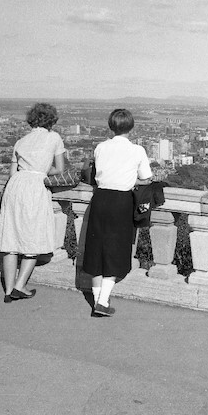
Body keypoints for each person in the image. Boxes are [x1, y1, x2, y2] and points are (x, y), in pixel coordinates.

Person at [82, 108, 153, 317]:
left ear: (111, 126)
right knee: (116, 249)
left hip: (100, 199)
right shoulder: (137, 150)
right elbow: (147, 178)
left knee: (96, 249)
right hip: (121, 201)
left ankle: (98, 300)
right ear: (131, 127)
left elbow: (96, 176)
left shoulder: (100, 147)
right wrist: (132, 180)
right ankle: (102, 301)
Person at [0, 102, 66, 303]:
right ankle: (20, 285)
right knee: (32, 236)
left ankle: (9, 291)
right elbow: (60, 169)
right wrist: (41, 170)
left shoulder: (21, 141)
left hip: (15, 186)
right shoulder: (54, 138)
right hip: (35, 186)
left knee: (10, 238)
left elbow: (12, 172)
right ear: (51, 120)